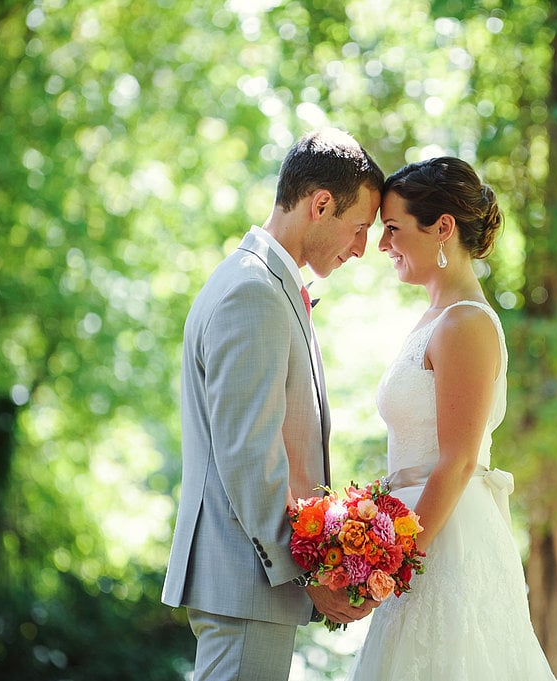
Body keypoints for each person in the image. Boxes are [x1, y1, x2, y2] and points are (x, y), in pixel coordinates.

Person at [162, 128, 384, 681]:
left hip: (246, 585)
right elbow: (248, 454)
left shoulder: (261, 282)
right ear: (321, 204)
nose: (361, 248)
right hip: (244, 581)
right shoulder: (254, 292)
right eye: (359, 229)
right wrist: (310, 571)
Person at [347, 157, 557, 680]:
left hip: (446, 541)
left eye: (393, 229)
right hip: (418, 532)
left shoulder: (466, 323)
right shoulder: (433, 319)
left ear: (442, 228)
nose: (382, 244)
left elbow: (459, 461)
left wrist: (395, 566)